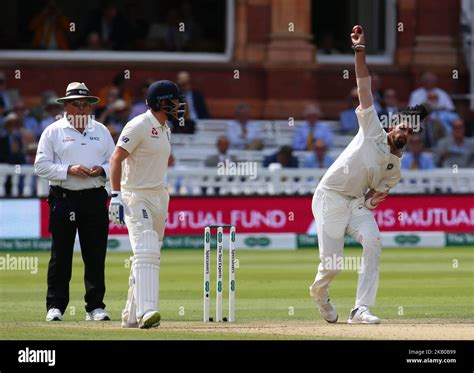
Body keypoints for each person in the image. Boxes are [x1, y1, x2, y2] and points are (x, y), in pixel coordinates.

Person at [309, 26, 429, 324]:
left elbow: (373, 198)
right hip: (330, 196)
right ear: (393, 126)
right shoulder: (372, 129)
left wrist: (373, 201)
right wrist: (359, 51)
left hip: (355, 204)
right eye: (402, 127)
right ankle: (320, 294)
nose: (405, 133)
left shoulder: (395, 170)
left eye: (410, 132)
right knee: (333, 265)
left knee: (374, 241)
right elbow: (364, 86)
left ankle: (359, 308)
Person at [35, 82, 115, 322]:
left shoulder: (100, 130)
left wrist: (101, 169)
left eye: (85, 105)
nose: (81, 109)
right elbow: (40, 166)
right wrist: (68, 169)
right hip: (64, 198)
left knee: (95, 253)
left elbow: (116, 163)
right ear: (66, 106)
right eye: (76, 105)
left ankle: (95, 306)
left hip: (94, 197)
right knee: (61, 254)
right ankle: (55, 305)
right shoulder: (53, 131)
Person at [109, 80, 185, 329]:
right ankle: (147, 312)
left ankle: (130, 315)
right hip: (135, 195)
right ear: (161, 102)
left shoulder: (166, 128)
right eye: (174, 100)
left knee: (149, 256)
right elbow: (116, 158)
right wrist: (116, 195)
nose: (178, 104)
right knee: (146, 249)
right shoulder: (139, 124)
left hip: (159, 197)